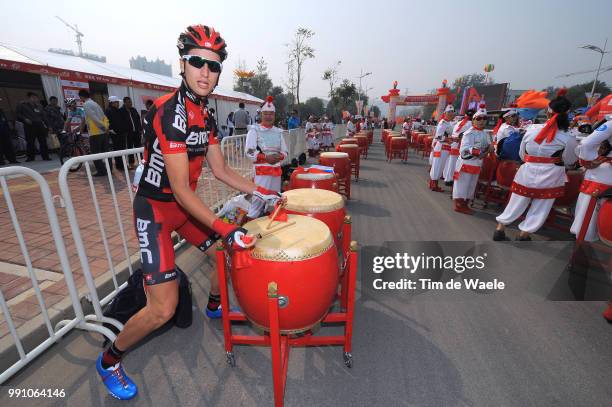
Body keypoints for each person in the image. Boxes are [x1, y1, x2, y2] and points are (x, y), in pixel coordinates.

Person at [95, 24, 284, 400]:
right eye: (197, 62)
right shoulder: (170, 113)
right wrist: (224, 226)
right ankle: (109, 361)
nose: (205, 72)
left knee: (222, 252)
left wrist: (263, 192)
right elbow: (181, 189)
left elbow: (222, 170)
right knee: (163, 309)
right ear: (182, 64)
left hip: (183, 209)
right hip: (156, 212)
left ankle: (215, 306)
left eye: (213, 67)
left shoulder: (207, 115)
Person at [494, 89, 578, 241]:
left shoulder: (531, 129)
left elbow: (521, 153)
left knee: (517, 200)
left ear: (547, 112)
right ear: (567, 115)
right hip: (551, 173)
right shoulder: (568, 136)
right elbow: (569, 160)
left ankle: (500, 228)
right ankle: (524, 233)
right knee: (541, 205)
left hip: (527, 169)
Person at [570, 116, 611, 242]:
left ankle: (584, 240)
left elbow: (586, 143)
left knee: (588, 210)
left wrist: (590, 161)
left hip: (604, 173)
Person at [245, 96, 288, 218]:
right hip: (261, 172)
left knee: (274, 199)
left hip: (276, 172)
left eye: (271, 114)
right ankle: (249, 228)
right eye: (266, 114)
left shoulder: (278, 132)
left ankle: (271, 222)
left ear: (274, 116)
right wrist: (266, 158)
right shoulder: (254, 130)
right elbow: (249, 151)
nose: (268, 116)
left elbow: (285, 151)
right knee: (258, 200)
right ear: (261, 114)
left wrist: (279, 157)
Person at [452, 106, 492, 214]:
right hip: (467, 163)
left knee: (471, 185)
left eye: (484, 119)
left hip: (477, 163)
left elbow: (489, 147)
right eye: (479, 119)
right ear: (473, 120)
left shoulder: (486, 134)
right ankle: (459, 205)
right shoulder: (468, 133)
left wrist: (490, 149)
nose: (481, 121)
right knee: (462, 185)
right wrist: (479, 152)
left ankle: (465, 204)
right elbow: (464, 149)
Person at [79, 89, 110, 176]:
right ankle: (109, 169)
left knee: (95, 153)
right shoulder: (95, 103)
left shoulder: (86, 104)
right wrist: (105, 127)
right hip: (102, 132)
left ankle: (101, 171)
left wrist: (103, 127)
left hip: (96, 132)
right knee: (106, 152)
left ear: (81, 96)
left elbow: (94, 118)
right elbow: (103, 117)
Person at [16, 92, 51, 161]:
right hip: (29, 125)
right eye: (33, 97)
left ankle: (45, 156)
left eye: (36, 98)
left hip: (39, 125)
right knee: (30, 142)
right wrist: (24, 119)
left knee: (43, 141)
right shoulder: (23, 105)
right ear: (29, 98)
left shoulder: (39, 106)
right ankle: (30, 157)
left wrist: (49, 126)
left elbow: (44, 117)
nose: (35, 99)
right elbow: (18, 114)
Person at [443, 109, 474, 185]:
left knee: (451, 162)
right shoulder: (471, 125)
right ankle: (452, 180)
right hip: (461, 146)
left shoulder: (458, 123)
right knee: (457, 165)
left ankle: (447, 178)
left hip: (454, 145)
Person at [429, 105, 456, 191]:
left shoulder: (448, 123)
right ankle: (433, 185)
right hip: (441, 148)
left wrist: (452, 139)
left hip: (445, 148)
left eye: (452, 112)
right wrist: (449, 139)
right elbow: (438, 137)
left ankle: (434, 184)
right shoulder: (443, 122)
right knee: (438, 166)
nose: (451, 114)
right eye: (449, 112)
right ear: (445, 113)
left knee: (440, 167)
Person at [105, 96, 127, 170]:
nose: (118, 103)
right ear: (112, 102)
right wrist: (111, 130)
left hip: (120, 133)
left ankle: (122, 165)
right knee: (118, 150)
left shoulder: (116, 110)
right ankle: (120, 166)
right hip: (116, 134)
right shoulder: (109, 110)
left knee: (121, 150)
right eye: (117, 102)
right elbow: (109, 122)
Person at [120, 96, 143, 168]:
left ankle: (141, 161)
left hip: (136, 132)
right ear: (125, 102)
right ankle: (131, 162)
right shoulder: (121, 111)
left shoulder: (133, 110)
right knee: (130, 148)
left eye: (131, 102)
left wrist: (140, 129)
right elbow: (121, 122)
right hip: (128, 132)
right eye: (129, 102)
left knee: (138, 146)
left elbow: (138, 119)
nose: (131, 103)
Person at [0, 99, 18, 164]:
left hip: (5, 130)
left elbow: (4, 120)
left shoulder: (1, 110)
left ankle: (12, 159)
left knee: (8, 145)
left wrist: (9, 127)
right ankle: (1, 161)